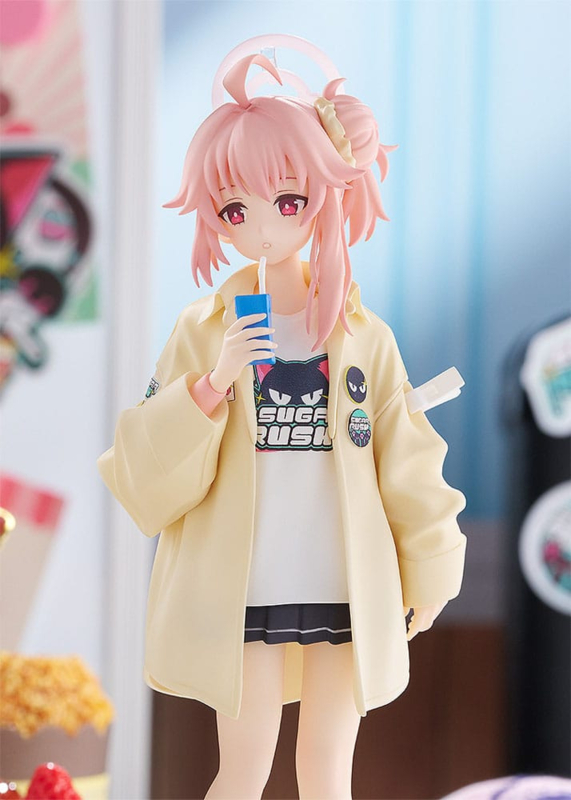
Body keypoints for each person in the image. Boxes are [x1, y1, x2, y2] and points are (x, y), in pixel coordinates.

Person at [98, 51, 467, 800]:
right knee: (242, 767)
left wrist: (431, 567)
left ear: (327, 196)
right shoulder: (205, 330)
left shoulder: (364, 337)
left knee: (328, 770)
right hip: (246, 577)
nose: (262, 228)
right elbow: (141, 471)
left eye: (288, 201)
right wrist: (212, 383)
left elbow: (406, 459)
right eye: (235, 211)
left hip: (343, 575)